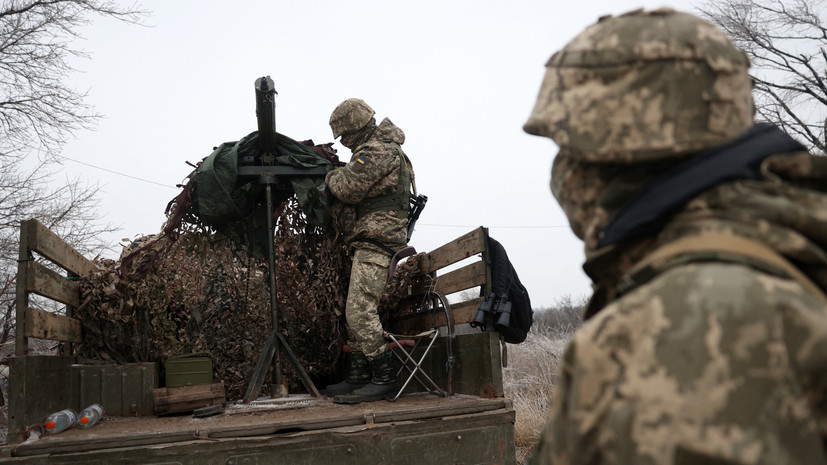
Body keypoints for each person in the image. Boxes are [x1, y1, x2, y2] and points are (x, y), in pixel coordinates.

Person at [523, 8, 827, 465]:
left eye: (569, 149)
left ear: (616, 152)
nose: (561, 173)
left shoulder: (691, 320)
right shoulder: (784, 247)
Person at [322, 98, 415, 403]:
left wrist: (330, 175)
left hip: (379, 240)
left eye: (344, 136)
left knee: (359, 311)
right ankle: (359, 376)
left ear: (355, 128)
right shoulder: (381, 148)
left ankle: (385, 377)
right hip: (372, 239)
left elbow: (347, 188)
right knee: (355, 313)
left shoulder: (375, 150)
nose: (344, 143)